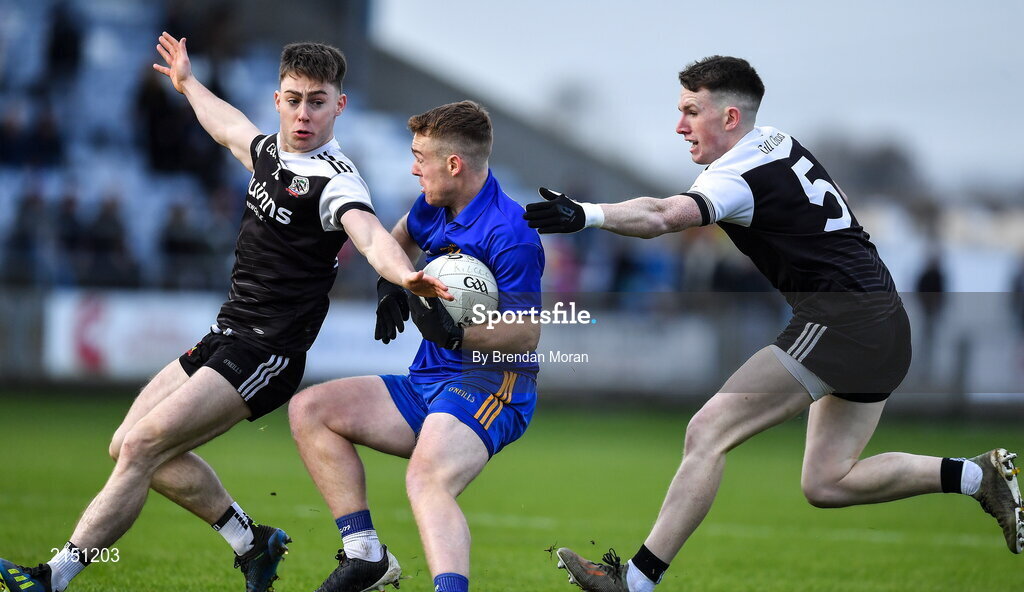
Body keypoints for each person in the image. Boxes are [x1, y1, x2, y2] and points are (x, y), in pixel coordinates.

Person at [523, 55, 1023, 592]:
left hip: (845, 319)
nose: (680, 126)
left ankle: (635, 584)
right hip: (882, 319)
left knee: (707, 431)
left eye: (692, 111)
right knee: (827, 481)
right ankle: (978, 476)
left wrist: (587, 214)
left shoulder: (736, 175)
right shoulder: (777, 141)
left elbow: (665, 216)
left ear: (731, 117)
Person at [0, 33, 449, 592]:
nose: (303, 113)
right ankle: (251, 542)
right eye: (293, 98)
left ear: (340, 104)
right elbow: (226, 126)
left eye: (317, 100)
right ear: (277, 98)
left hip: (267, 352)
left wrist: (402, 275)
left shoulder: (335, 182)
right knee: (127, 444)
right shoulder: (269, 152)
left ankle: (51, 577)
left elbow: (370, 236)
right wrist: (187, 81)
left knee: (142, 448)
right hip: (226, 334)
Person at [288, 100, 544, 592]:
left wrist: (454, 334)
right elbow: (400, 237)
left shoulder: (511, 233)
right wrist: (392, 285)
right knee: (310, 410)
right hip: (427, 381)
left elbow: (526, 332)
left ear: (454, 164)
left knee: (427, 480)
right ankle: (365, 556)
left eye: (420, 156)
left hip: (493, 384)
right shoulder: (433, 203)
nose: (413, 166)